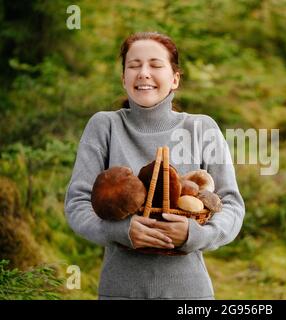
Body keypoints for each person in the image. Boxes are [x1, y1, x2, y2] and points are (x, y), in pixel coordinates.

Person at [64, 31, 245, 300]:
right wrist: (120, 231)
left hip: (189, 294)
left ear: (174, 79)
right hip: (120, 292)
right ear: (123, 78)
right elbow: (77, 203)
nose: (144, 73)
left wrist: (194, 235)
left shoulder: (200, 127)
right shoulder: (105, 126)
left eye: (156, 65)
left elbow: (231, 204)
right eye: (134, 66)